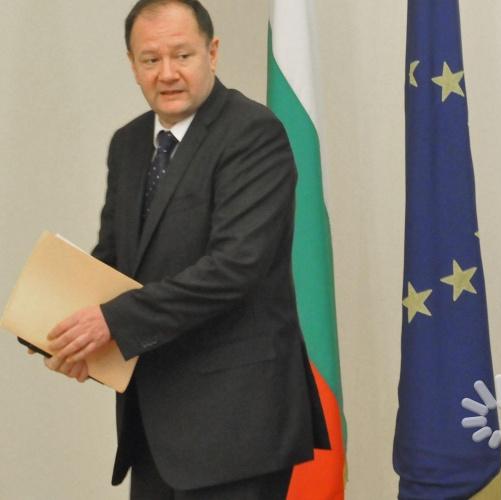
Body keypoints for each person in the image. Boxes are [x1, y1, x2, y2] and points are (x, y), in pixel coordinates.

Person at [39, 0, 329, 497]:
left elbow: (234, 268)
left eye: (182, 55)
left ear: (212, 53)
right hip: (153, 425)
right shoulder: (128, 143)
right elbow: (113, 260)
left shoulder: (253, 133)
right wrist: (57, 332)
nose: (167, 73)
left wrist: (112, 322)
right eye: (150, 59)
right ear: (132, 64)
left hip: (238, 427)